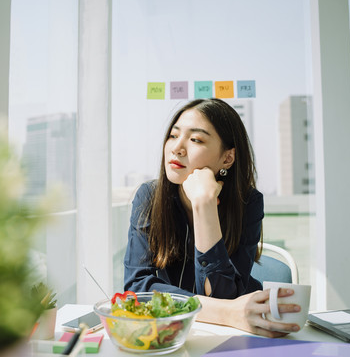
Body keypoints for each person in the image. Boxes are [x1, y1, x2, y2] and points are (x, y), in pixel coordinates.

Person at [123, 98, 301, 337]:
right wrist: (224, 311)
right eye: (174, 136)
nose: (177, 148)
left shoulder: (248, 202)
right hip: (172, 333)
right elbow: (136, 288)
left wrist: (204, 206)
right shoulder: (149, 197)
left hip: (234, 336)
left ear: (227, 158)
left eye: (196, 139)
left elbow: (223, 295)